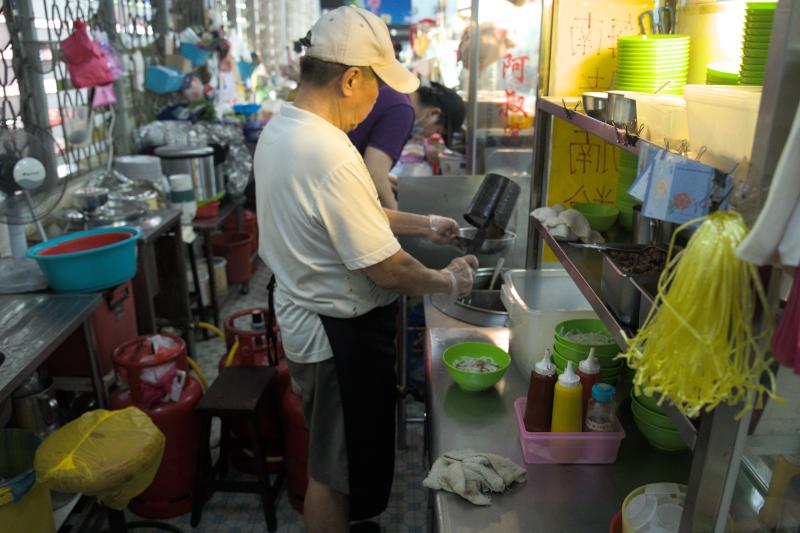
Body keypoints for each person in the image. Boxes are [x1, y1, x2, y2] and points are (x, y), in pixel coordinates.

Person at [252, 6, 478, 533]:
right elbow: (389, 269)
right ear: (351, 79)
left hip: (310, 317)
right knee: (332, 474)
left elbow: (349, 215)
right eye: (378, 85)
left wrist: (424, 224)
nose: (379, 99)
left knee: (338, 462)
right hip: (335, 335)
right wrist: (448, 281)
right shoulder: (328, 152)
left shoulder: (283, 129)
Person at [348, 81, 466, 209]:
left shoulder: (395, 94)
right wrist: (396, 213)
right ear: (433, 113)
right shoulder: (403, 111)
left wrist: (383, 179)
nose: (429, 136)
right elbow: (375, 175)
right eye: (437, 131)